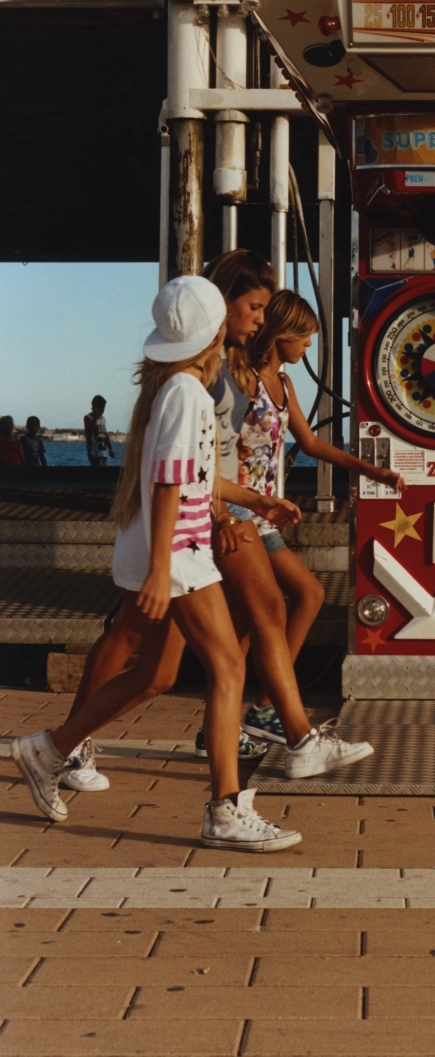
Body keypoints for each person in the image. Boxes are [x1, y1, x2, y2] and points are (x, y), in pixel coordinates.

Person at [11, 275, 299, 852]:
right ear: (216, 330)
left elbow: (192, 476)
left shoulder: (174, 388)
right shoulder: (189, 394)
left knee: (157, 675)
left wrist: (256, 500)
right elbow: (170, 484)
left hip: (177, 551)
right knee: (226, 668)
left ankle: (47, 750)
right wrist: (165, 570)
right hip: (183, 554)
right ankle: (223, 809)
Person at [225, 287, 405, 746]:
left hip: (262, 516)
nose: (308, 347)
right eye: (304, 337)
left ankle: (256, 711)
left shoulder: (283, 384)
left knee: (296, 601)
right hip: (236, 513)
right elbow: (216, 451)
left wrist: (369, 470)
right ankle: (242, 720)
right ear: (281, 333)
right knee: (275, 609)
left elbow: (308, 442)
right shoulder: (239, 378)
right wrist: (225, 510)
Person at [84, 395, 115, 466]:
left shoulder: (103, 418)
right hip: (94, 452)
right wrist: (96, 417)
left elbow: (105, 434)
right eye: (102, 408)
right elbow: (89, 432)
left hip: (103, 452)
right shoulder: (88, 418)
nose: (103, 410)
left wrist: (111, 448)